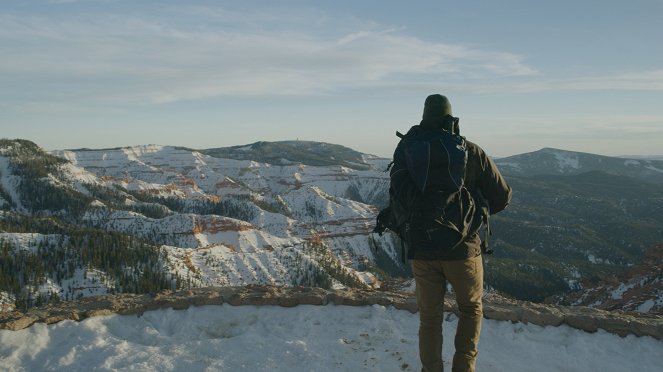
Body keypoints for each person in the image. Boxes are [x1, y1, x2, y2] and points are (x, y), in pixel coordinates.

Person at [390, 94, 512, 372]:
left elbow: (397, 194)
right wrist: (474, 213)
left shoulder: (407, 150)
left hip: (421, 247)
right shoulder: (470, 151)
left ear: (424, 117)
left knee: (430, 318)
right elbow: (502, 197)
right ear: (451, 119)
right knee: (470, 309)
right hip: (463, 249)